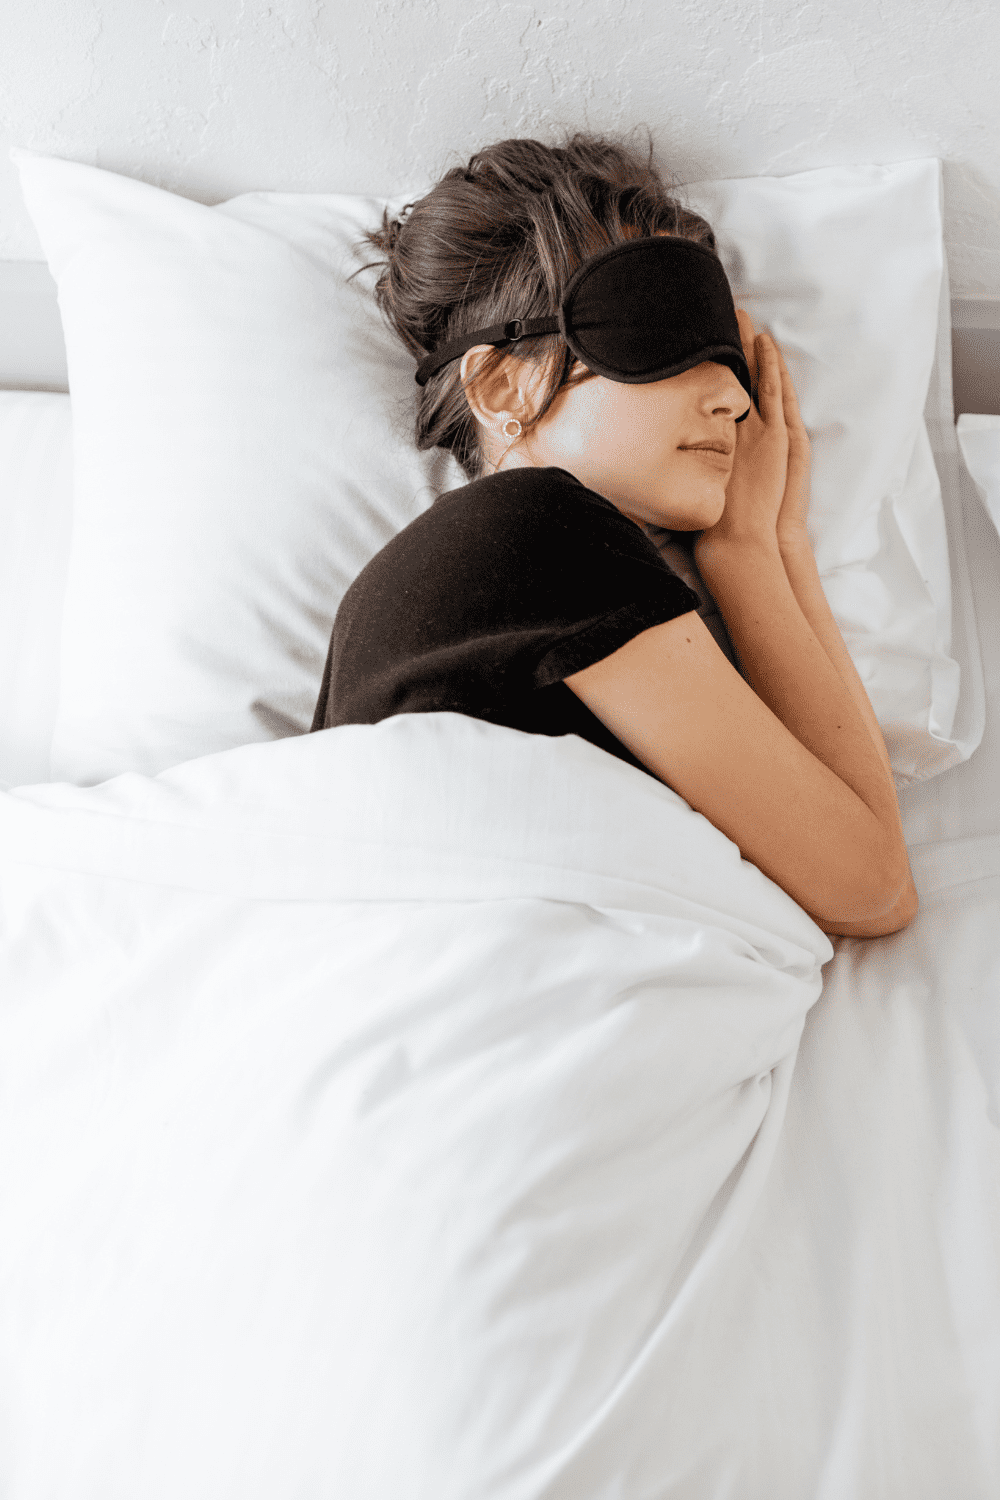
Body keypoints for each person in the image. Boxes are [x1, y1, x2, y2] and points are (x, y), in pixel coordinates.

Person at [311, 130, 918, 940]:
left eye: (733, 361)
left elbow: (869, 877)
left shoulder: (464, 570)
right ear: (501, 384)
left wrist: (774, 540)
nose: (735, 401)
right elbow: (870, 887)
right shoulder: (534, 528)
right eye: (664, 331)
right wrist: (752, 554)